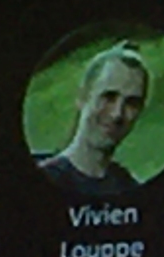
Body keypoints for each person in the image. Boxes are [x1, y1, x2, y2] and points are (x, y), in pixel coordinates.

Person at [37, 41, 150, 197]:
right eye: (109, 97)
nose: (117, 114)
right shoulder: (47, 179)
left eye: (131, 103)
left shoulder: (131, 189)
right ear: (83, 97)